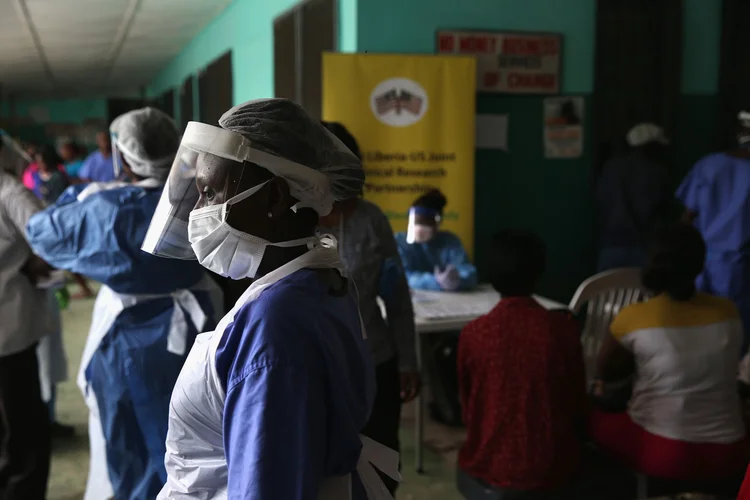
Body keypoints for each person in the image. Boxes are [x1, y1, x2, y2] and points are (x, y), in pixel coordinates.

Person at [143, 98, 398, 499]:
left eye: (211, 194)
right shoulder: (316, 280)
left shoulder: (276, 327)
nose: (200, 211)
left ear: (276, 198)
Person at [26, 107, 222, 500]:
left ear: (123, 157)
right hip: (199, 331)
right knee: (197, 439)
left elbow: (40, 232)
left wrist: (77, 196)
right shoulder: (202, 198)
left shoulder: (106, 209)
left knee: (129, 444)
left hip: (126, 339)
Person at [590, 225, 748, 483]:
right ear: (699, 264)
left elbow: (604, 372)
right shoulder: (728, 312)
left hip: (663, 452)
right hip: (730, 452)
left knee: (593, 417)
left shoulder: (634, 317)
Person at [319, 121, 419, 494]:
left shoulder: (372, 219)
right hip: (319, 369)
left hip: (376, 361)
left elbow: (397, 296)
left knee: (379, 470)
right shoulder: (294, 223)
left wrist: (408, 359)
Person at [457, 229, 585, 499]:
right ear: (540, 272)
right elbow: (576, 400)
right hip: (554, 470)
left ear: (491, 276)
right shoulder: (562, 329)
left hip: (489, 469)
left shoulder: (475, 333)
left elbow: (469, 409)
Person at [677, 111, 750, 348]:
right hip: (737, 264)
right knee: (732, 330)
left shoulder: (708, 165)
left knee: (697, 324)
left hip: (699, 259)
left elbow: (688, 216)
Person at [0, 170, 52, 499]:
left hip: (9, 332)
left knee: (13, 427)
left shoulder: (10, 195)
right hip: (8, 331)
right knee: (21, 429)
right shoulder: (12, 195)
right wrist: (34, 263)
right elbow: (51, 244)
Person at [594, 123, 673, 271]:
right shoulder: (656, 171)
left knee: (608, 290)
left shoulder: (610, 167)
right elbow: (658, 209)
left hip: (610, 244)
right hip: (644, 246)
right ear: (650, 146)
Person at [396, 189, 477, 291]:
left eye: (426, 223)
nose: (420, 228)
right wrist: (435, 281)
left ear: (438, 223)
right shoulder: (400, 242)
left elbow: (469, 273)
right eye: (416, 222)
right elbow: (402, 275)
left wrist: (458, 280)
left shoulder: (449, 241)